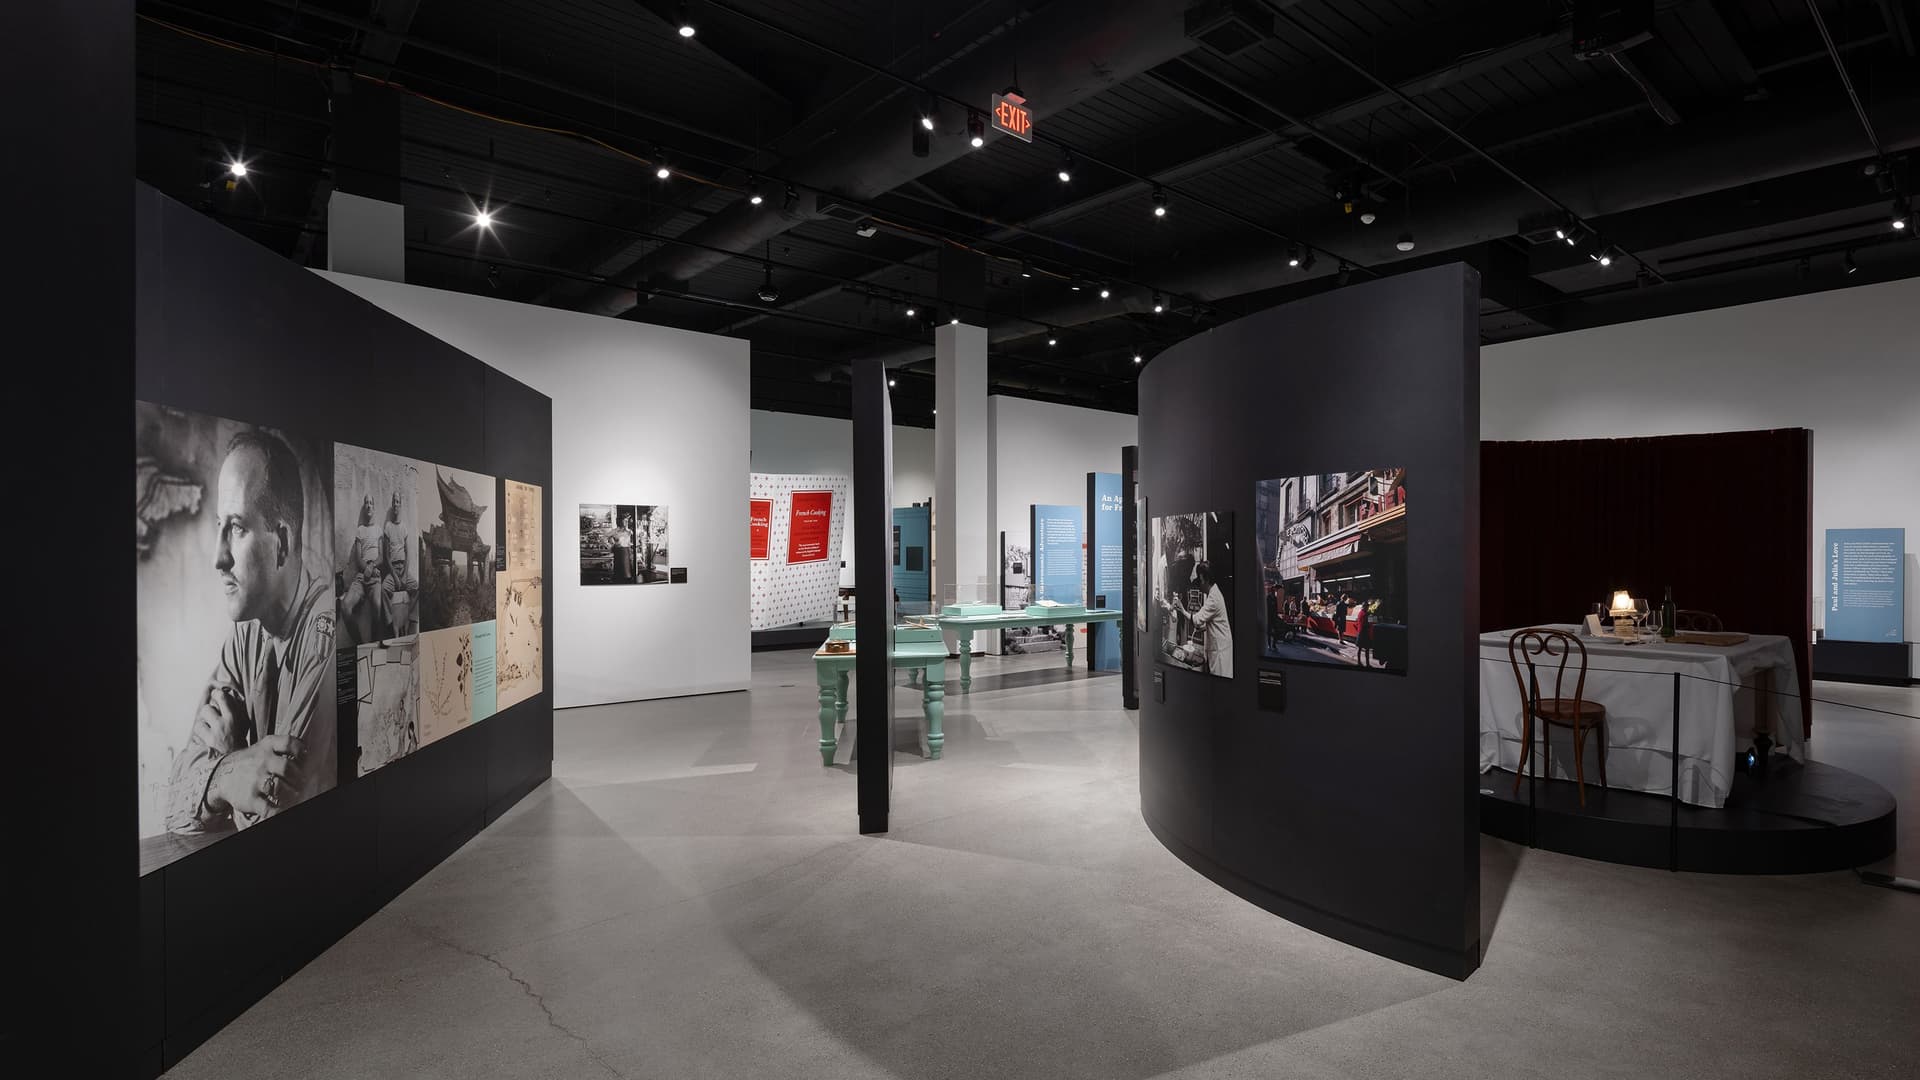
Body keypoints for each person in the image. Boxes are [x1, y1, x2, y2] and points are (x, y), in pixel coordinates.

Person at [165, 430, 335, 835]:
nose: (217, 558)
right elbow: (173, 806)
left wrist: (223, 757)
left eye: (237, 528)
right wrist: (230, 772)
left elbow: (276, 822)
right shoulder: (245, 635)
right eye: (219, 526)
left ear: (282, 543)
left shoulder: (325, 635)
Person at [1189, 562, 1233, 677]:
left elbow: (1197, 620)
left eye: (1201, 580)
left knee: (1221, 682)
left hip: (1220, 650)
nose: (1199, 584)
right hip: (1219, 648)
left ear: (1207, 579)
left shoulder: (1213, 598)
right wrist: (1204, 628)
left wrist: (1181, 609)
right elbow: (1214, 622)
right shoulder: (1213, 593)